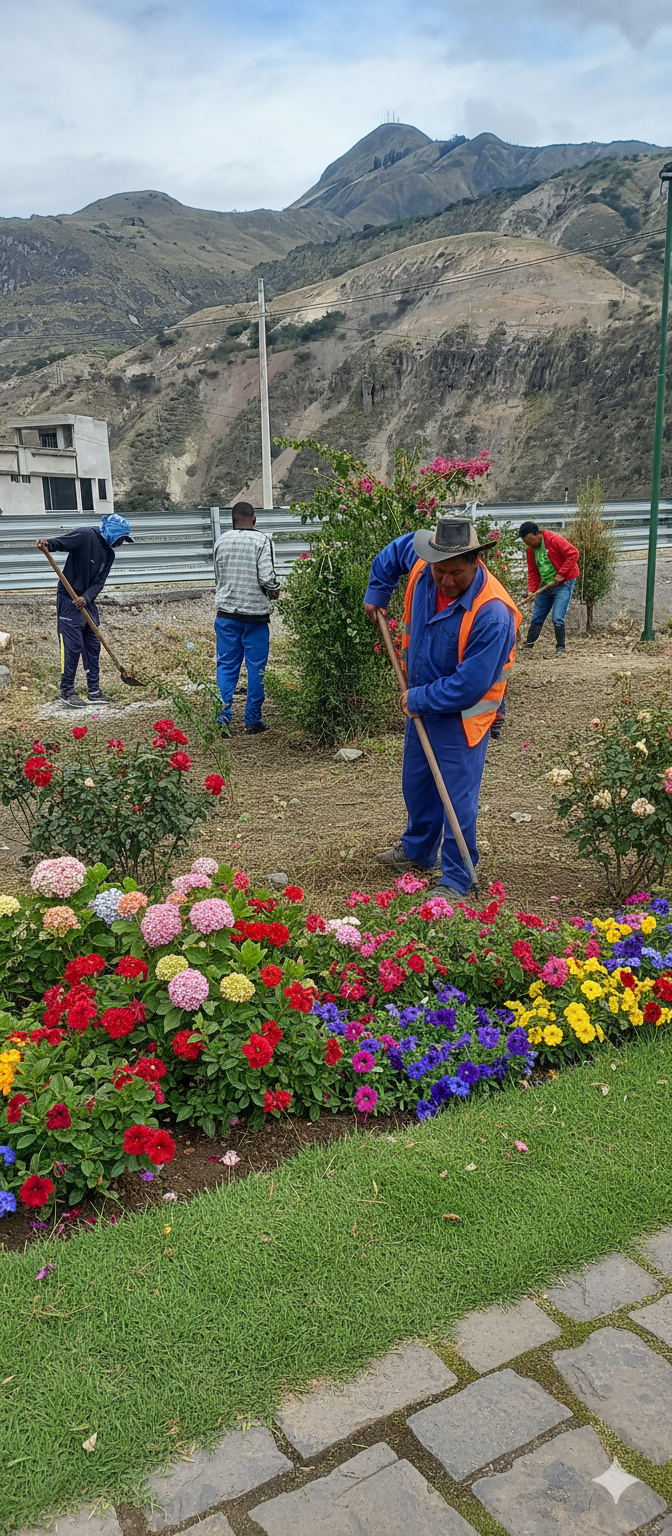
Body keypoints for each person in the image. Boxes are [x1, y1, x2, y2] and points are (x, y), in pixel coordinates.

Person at [364, 515, 521, 898]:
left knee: (456, 797)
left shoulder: (493, 614)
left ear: (475, 562)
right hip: (422, 705)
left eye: (456, 573)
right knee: (417, 785)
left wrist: (417, 698)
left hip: (461, 718)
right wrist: (377, 592)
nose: (447, 581)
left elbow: (469, 686)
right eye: (440, 572)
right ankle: (417, 851)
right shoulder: (424, 564)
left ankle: (456, 877)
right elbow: (392, 554)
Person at [36, 512, 134, 707]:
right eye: (121, 538)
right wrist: (48, 544)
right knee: (72, 647)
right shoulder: (86, 535)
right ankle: (67, 691)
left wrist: (86, 598)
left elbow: (99, 583)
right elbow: (61, 543)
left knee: (93, 645)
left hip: (86, 602)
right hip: (69, 600)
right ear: (112, 532)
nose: (121, 543)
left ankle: (94, 691)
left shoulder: (109, 555)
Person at [213, 501, 280, 735]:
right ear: (254, 519)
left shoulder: (221, 541)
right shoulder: (262, 540)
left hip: (226, 615)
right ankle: (252, 720)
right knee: (256, 668)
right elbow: (267, 578)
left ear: (232, 520)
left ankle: (221, 720)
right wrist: (275, 590)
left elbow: (219, 577)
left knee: (226, 666)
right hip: (255, 617)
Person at [518, 520, 579, 656]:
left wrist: (561, 573)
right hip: (546, 585)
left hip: (564, 583)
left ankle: (560, 647)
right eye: (526, 543)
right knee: (537, 615)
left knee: (557, 617)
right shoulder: (531, 550)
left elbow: (573, 553)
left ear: (534, 535)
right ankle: (529, 644)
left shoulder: (553, 540)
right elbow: (533, 571)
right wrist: (532, 590)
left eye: (528, 541)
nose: (528, 545)